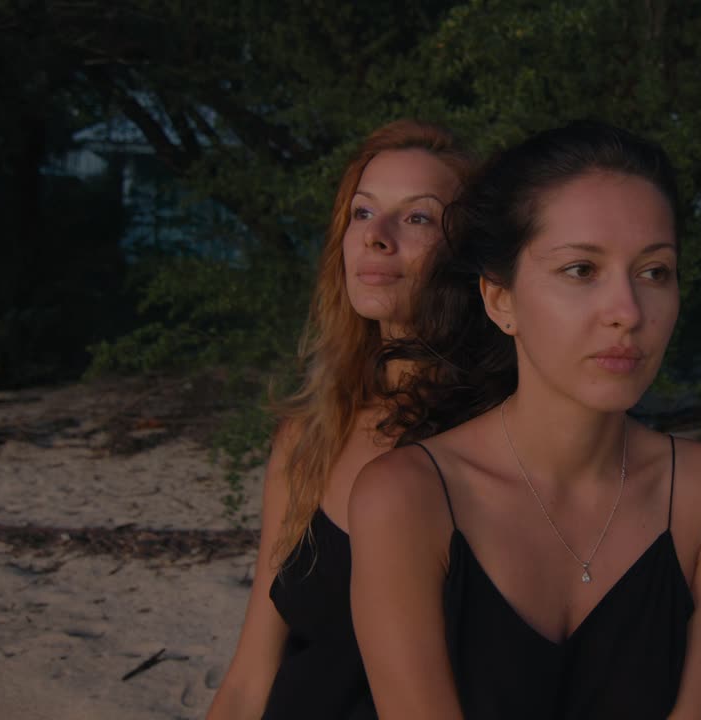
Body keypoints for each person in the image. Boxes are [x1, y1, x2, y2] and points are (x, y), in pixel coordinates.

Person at [349, 121, 701, 719]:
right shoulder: (408, 498)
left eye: (654, 272)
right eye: (581, 270)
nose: (627, 312)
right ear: (499, 300)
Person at [206, 119, 475, 720]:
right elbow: (253, 674)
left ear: (471, 251)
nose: (376, 237)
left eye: (418, 217)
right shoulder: (310, 437)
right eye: (361, 213)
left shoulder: (502, 442)